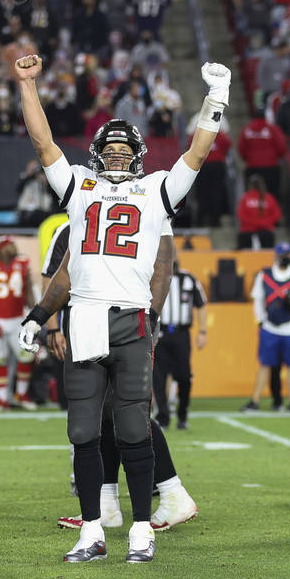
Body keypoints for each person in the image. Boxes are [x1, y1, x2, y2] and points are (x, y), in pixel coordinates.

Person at [13, 52, 229, 563]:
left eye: (122, 148)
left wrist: (215, 99)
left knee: (133, 428)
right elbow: (43, 141)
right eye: (107, 147)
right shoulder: (78, 188)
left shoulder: (156, 189)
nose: (114, 154)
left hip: (130, 319)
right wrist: (27, 86)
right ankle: (92, 531)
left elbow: (197, 154)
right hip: (84, 317)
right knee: (84, 431)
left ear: (136, 154)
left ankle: (140, 530)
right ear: (95, 153)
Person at [22, 221, 198, 532]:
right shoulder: (77, 221)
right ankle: (108, 502)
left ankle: (172, 492)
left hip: (124, 326)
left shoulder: (138, 214)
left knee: (127, 410)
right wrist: (50, 325)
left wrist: (150, 320)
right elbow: (55, 276)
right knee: (103, 415)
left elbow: (161, 269)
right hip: (92, 328)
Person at [243, 243, 290, 412]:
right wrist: (261, 321)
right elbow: (258, 299)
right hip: (270, 326)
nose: (283, 258)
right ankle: (255, 400)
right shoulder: (265, 275)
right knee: (265, 365)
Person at [0, 237, 38, 411]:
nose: (14, 247)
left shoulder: (23, 264)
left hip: (19, 318)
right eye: (10, 245)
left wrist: (32, 315)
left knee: (26, 357)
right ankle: (2, 400)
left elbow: (29, 292)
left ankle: (21, 395)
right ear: (2, 249)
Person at [152, 260, 207, 430]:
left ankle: (182, 413)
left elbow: (201, 304)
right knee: (158, 377)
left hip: (181, 333)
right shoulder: (153, 279)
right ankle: (163, 417)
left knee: (184, 376)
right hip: (160, 333)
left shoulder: (188, 278)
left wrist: (203, 331)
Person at [236, 175, 281, 249]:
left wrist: (253, 224)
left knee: (243, 250)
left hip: (248, 231)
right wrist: (264, 223)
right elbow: (276, 215)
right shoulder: (269, 198)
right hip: (266, 230)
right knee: (268, 251)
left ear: (250, 185)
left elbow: (241, 215)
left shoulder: (245, 198)